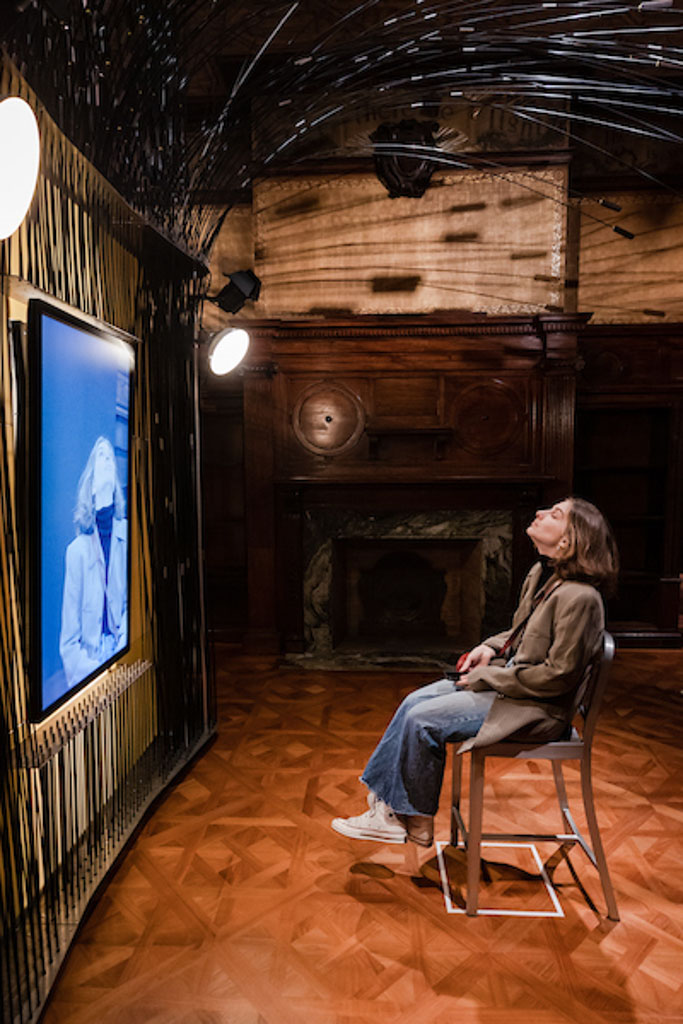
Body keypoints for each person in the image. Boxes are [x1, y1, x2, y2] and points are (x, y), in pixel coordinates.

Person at [331, 497, 619, 848]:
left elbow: (557, 677)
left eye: (555, 514)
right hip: (511, 686)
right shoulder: (543, 575)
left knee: (423, 720)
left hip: (535, 708)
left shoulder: (581, 598)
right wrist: (490, 647)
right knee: (412, 702)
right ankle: (396, 813)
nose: (540, 513)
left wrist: (487, 678)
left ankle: (408, 817)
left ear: (568, 541)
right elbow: (521, 634)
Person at [59, 436, 128, 688]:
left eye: (111, 456)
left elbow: (132, 608)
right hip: (90, 670)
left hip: (126, 660)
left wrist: (124, 657)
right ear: (91, 479)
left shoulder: (128, 536)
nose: (108, 460)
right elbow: (69, 641)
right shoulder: (75, 552)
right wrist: (95, 677)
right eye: (101, 456)